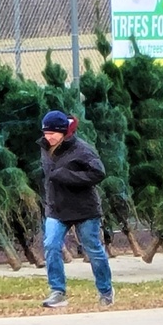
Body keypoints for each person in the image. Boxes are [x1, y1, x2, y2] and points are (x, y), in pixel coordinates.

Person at [38, 110, 114, 308]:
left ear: (64, 132)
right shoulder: (45, 147)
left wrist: (68, 176)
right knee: (51, 245)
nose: (49, 137)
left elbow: (99, 173)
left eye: (53, 133)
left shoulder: (82, 150)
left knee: (93, 249)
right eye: (46, 133)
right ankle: (58, 292)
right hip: (56, 208)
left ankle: (106, 291)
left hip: (84, 209)